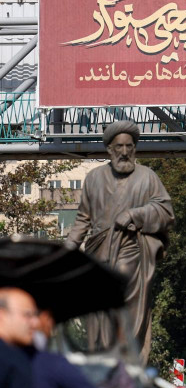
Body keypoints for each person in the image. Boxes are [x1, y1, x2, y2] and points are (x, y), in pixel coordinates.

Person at [66, 120, 175, 363]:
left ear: (135, 148)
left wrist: (135, 214)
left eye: (129, 146)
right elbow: (83, 220)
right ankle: (105, 358)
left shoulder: (148, 177)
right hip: (98, 252)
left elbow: (166, 212)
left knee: (122, 295)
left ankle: (124, 356)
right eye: (119, 147)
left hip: (130, 251)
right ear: (109, 150)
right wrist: (65, 251)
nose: (124, 152)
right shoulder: (94, 179)